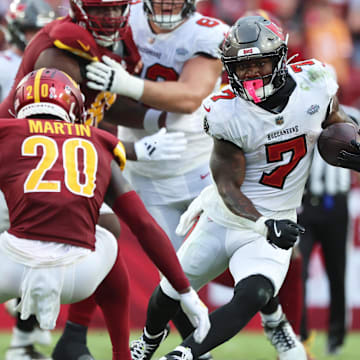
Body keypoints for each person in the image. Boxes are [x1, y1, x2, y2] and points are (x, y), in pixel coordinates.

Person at [131, 15, 360, 360]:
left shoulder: (316, 82)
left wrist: (351, 148)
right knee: (172, 290)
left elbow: (336, 126)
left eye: (259, 63)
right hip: (226, 217)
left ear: (280, 59)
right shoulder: (226, 111)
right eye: (242, 67)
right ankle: (149, 339)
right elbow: (226, 184)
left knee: (254, 293)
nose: (251, 73)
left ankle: (182, 355)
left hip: (275, 219)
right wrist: (262, 223)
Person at [0, 1, 187, 359]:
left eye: (118, 9)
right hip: (20, 164)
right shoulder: (60, 50)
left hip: (40, 162)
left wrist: (154, 118)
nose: (112, 18)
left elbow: (99, 105)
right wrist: (131, 150)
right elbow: (64, 138)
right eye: (102, 10)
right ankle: (68, 338)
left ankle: (60, 340)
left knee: (106, 228)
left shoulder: (110, 46)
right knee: (94, 235)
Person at [52, 1, 229, 359]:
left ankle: (278, 328)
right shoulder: (112, 18)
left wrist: (127, 84)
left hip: (195, 159)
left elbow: (191, 96)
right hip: (133, 158)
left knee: (237, 253)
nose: (166, 4)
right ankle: (68, 338)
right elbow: (79, 85)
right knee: (150, 255)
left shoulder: (208, 32)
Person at [0, 1, 57, 358]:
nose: (38, 40)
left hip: (38, 175)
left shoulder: (58, 68)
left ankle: (22, 340)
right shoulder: (6, 66)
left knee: (37, 256)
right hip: (6, 170)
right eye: (32, 31)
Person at [298, 105, 360, 356]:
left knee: (337, 271)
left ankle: (336, 336)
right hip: (303, 203)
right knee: (297, 272)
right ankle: (300, 336)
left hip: (336, 203)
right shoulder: (299, 112)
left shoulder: (351, 114)